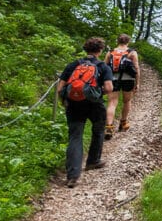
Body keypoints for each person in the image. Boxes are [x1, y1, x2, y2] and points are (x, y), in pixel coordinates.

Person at [58, 37, 114, 188]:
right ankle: (92, 161)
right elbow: (109, 88)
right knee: (98, 130)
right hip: (95, 105)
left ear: (86, 49)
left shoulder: (73, 65)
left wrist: (65, 101)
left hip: (74, 105)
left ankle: (72, 176)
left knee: (75, 136)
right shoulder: (103, 67)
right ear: (100, 50)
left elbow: (60, 88)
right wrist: (95, 92)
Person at [105, 33, 140, 138]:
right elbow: (137, 68)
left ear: (118, 41)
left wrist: (104, 81)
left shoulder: (110, 52)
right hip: (128, 79)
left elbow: (104, 67)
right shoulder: (132, 53)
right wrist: (137, 83)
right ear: (128, 42)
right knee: (127, 101)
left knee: (112, 102)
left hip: (113, 78)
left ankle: (109, 127)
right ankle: (123, 123)